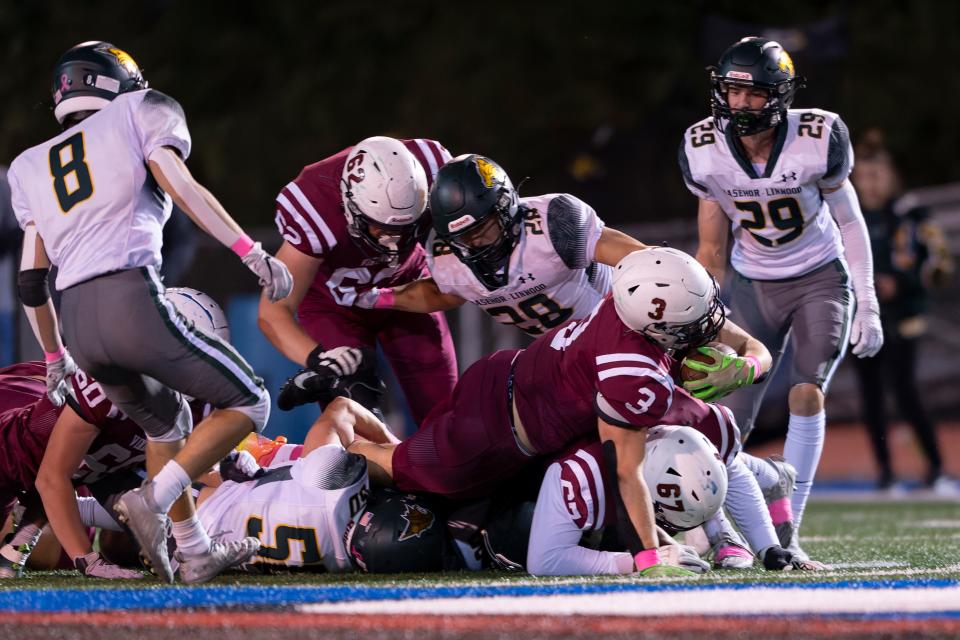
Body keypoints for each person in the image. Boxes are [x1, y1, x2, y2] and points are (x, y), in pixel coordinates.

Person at [8, 41, 295, 583]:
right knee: (250, 400)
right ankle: (154, 500)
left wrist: (53, 356)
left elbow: (29, 280)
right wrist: (250, 252)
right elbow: (182, 186)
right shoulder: (142, 110)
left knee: (169, 424)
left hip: (78, 326)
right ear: (118, 81)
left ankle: (194, 553)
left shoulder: (28, 166)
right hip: (130, 297)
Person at [341, 248, 793, 575]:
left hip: (519, 381)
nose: (707, 326)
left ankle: (740, 517)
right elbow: (626, 470)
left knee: (706, 433)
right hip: (496, 430)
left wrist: (747, 368)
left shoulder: (648, 301)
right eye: (692, 323)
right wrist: (647, 558)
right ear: (658, 326)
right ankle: (311, 458)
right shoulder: (631, 369)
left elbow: (748, 346)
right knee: (397, 466)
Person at [680, 37, 883, 561]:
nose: (740, 103)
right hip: (752, 283)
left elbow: (851, 223)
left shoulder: (818, 136)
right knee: (724, 419)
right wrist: (703, 320)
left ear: (780, 95)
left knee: (806, 391)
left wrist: (868, 300)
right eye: (732, 91)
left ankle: (789, 528)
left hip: (819, 276)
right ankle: (719, 529)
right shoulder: (703, 148)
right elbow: (710, 248)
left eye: (753, 94)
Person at [258, 136, 458, 426]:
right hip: (334, 304)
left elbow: (460, 282)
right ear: (349, 206)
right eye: (382, 228)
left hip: (408, 286)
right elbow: (272, 313)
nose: (394, 242)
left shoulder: (435, 167)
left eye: (406, 228)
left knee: (445, 412)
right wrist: (318, 358)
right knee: (357, 419)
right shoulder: (315, 205)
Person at [355, 154, 648, 336]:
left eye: (482, 228)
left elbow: (645, 262)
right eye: (464, 236)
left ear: (505, 207)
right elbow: (441, 294)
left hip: (625, 328)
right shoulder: (448, 258)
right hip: (563, 357)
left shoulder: (554, 223)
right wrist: (373, 297)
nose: (476, 242)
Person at [850, 138, 955, 492]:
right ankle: (885, 473)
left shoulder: (911, 214)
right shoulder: (847, 213)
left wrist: (904, 282)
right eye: (863, 175)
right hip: (861, 318)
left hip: (902, 318)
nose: (870, 183)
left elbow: (939, 264)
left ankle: (937, 470)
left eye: (876, 174)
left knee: (906, 392)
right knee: (871, 398)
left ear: (891, 175)